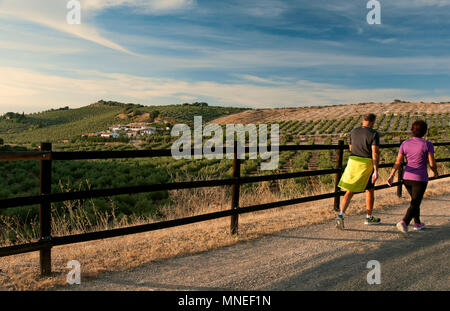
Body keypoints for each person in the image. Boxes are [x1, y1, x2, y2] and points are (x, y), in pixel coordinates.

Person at [387, 120, 439, 234]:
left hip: (407, 178)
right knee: (415, 202)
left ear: (412, 130)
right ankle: (404, 222)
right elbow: (431, 163)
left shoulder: (405, 143)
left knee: (415, 200)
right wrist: (435, 172)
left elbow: (398, 161)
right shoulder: (427, 144)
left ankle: (417, 223)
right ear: (425, 132)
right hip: (420, 178)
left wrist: (391, 175)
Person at [335, 113, 381, 229]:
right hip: (366, 164)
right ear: (372, 122)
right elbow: (375, 152)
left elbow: (351, 148)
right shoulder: (374, 134)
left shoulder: (353, 131)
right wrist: (376, 169)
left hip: (352, 162)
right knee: (370, 190)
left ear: (362, 120)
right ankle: (369, 217)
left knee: (349, 190)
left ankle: (341, 215)